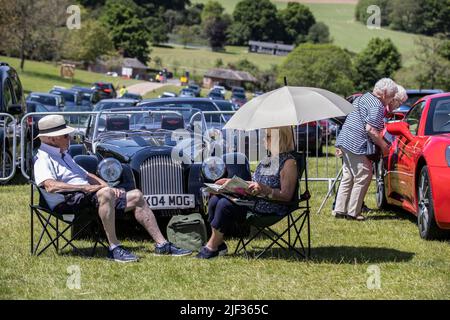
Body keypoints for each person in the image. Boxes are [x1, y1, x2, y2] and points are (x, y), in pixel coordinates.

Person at [33, 115, 192, 262]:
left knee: (136, 195)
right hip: (66, 201)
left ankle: (162, 244)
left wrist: (106, 185)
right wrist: (85, 188)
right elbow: (50, 185)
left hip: (87, 196)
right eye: (66, 135)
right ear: (52, 139)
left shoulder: (63, 154)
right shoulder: (43, 158)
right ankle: (114, 248)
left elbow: (87, 174)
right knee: (106, 193)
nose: (70, 138)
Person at [197, 126, 298, 259]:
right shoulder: (268, 159)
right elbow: (254, 181)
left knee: (224, 205)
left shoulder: (289, 163)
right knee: (215, 199)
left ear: (280, 139)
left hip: (269, 205)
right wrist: (229, 183)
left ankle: (211, 247)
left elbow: (286, 196)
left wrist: (265, 189)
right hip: (253, 200)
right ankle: (219, 244)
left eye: (267, 136)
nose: (263, 139)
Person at [333, 78, 398, 221]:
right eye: (392, 96)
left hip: (345, 140)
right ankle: (353, 212)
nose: (392, 100)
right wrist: (384, 145)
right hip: (356, 143)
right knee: (363, 175)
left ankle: (339, 209)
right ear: (384, 93)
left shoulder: (364, 97)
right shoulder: (377, 105)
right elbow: (371, 129)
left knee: (349, 175)